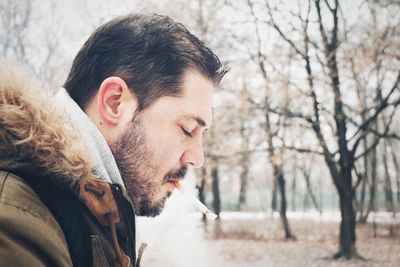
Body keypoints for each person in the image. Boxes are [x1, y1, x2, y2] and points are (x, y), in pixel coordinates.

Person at [0, 14, 227, 267]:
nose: (197, 158)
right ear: (114, 103)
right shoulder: (16, 220)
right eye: (187, 129)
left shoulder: (97, 209)